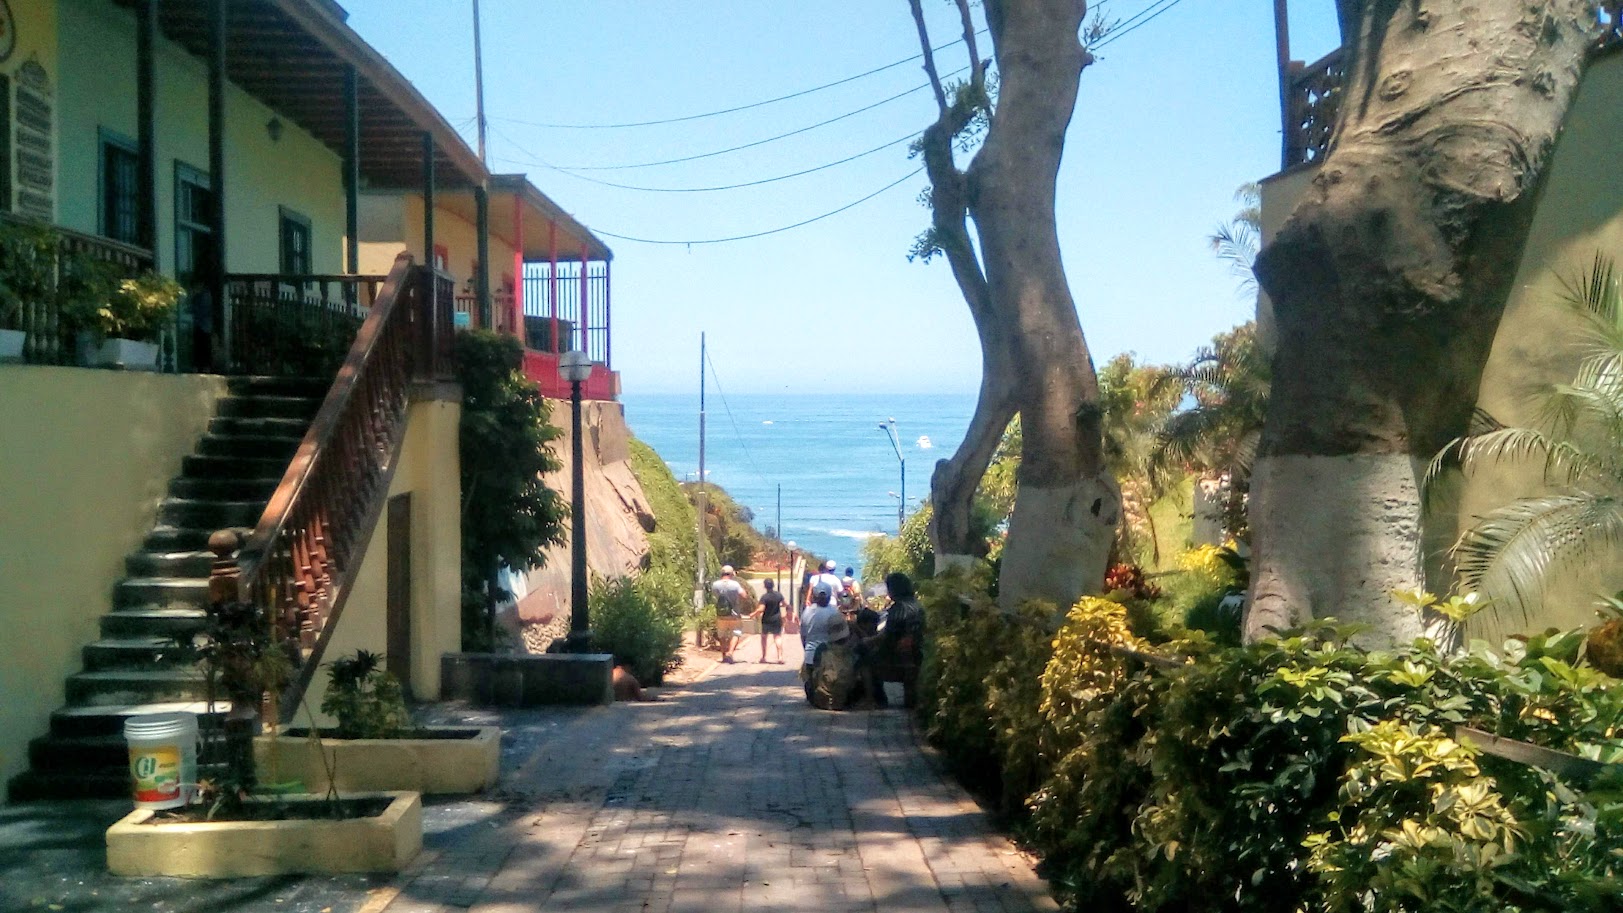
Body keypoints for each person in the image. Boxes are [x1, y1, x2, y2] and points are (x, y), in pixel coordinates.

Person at [856, 572, 926, 708]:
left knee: (863, 658)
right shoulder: (917, 606)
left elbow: (887, 636)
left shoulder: (899, 608)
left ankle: (872, 699)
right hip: (916, 654)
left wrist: (867, 641)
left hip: (897, 659)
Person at [799, 583, 851, 707]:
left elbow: (803, 634)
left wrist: (806, 647)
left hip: (810, 653)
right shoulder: (834, 613)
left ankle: (813, 696)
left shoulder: (807, 612)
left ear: (814, 596)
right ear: (829, 596)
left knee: (811, 679)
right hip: (829, 654)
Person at [710, 565, 747, 663]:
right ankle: (730, 652)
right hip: (734, 614)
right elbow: (744, 595)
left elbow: (714, 597)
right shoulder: (735, 584)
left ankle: (723, 656)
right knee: (736, 633)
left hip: (721, 614)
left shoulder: (715, 584)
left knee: (722, 635)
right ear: (731, 574)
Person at [750, 579, 787, 664]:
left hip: (766, 620)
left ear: (765, 586)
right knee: (777, 637)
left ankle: (763, 657)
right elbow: (785, 604)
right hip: (777, 619)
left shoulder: (765, 597)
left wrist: (754, 613)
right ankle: (780, 657)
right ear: (773, 585)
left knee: (764, 638)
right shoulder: (778, 595)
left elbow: (761, 609)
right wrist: (779, 605)